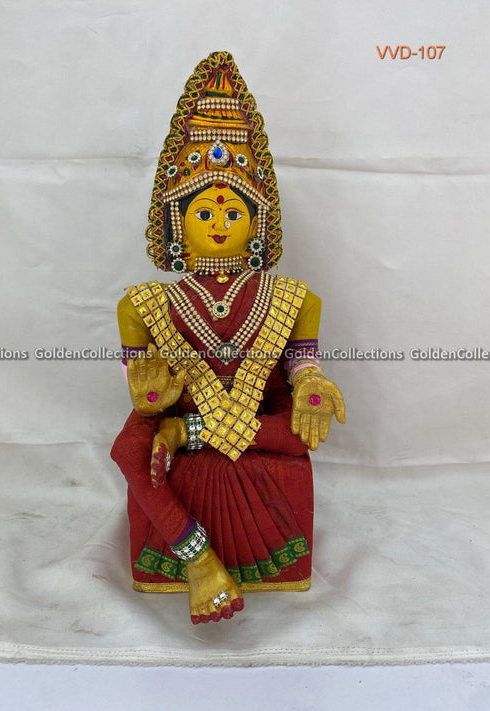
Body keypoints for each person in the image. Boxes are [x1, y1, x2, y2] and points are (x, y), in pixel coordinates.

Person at [111, 52, 345, 625]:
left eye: (234, 211)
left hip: (256, 421)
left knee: (299, 434)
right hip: (183, 412)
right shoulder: (142, 305)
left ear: (257, 224)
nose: (219, 221)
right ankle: (198, 560)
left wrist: (311, 385)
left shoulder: (295, 299)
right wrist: (153, 402)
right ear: (176, 222)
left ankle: (187, 437)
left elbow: (301, 366)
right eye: (204, 211)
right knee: (130, 448)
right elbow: (143, 391)